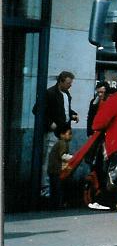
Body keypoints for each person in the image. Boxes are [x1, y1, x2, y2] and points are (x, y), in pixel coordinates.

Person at [33, 70, 78, 198]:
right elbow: (37, 109)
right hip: (55, 132)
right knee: (49, 161)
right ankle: (45, 189)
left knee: (58, 161)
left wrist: (72, 114)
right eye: (68, 83)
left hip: (62, 132)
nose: (70, 85)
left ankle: (53, 188)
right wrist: (49, 123)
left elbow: (64, 109)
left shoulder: (65, 93)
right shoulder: (49, 93)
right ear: (61, 81)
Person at [89, 86, 117, 210]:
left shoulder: (112, 102)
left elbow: (97, 124)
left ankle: (107, 201)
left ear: (108, 94)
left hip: (114, 143)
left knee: (110, 174)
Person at [46, 123, 74, 209]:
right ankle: (58, 204)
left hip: (53, 169)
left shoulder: (61, 142)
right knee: (58, 188)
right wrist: (73, 157)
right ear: (62, 135)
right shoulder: (62, 143)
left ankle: (54, 204)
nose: (71, 136)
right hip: (56, 169)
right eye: (69, 133)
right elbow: (63, 155)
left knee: (54, 187)